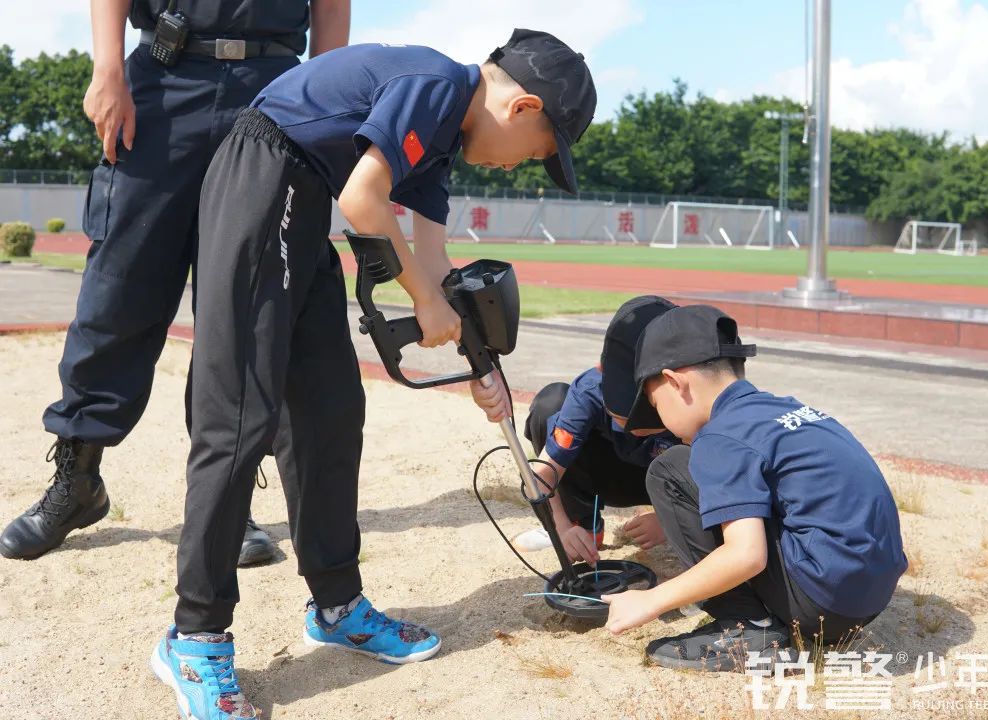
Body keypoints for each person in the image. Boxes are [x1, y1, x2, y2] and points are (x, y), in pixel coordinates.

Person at [150, 29, 596, 719]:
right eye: (535, 152)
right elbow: (364, 200)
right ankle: (195, 636)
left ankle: (336, 603)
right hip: (263, 177)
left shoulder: (441, 141)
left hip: (303, 204)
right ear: (522, 107)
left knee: (330, 410)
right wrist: (423, 301)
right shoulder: (437, 85)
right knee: (240, 419)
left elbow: (434, 261)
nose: (517, 167)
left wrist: (480, 362)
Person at [0, 0, 350, 564]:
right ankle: (78, 479)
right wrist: (107, 69)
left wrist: (327, 101)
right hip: (163, 83)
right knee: (117, 290)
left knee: (244, 309)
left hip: (273, 90)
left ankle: (227, 500)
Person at [605, 305, 907, 673]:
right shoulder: (788, 410)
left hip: (822, 605)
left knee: (670, 470)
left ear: (675, 383)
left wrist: (651, 600)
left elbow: (747, 555)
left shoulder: (720, 436)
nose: (662, 422)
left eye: (656, 405)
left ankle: (748, 625)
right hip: (870, 598)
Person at [516, 295, 681, 563]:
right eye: (625, 416)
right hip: (611, 474)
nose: (636, 429)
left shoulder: (695, 400)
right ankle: (583, 525)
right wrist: (561, 528)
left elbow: (721, 477)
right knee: (551, 403)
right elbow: (541, 476)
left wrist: (670, 520)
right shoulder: (592, 389)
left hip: (669, 481)